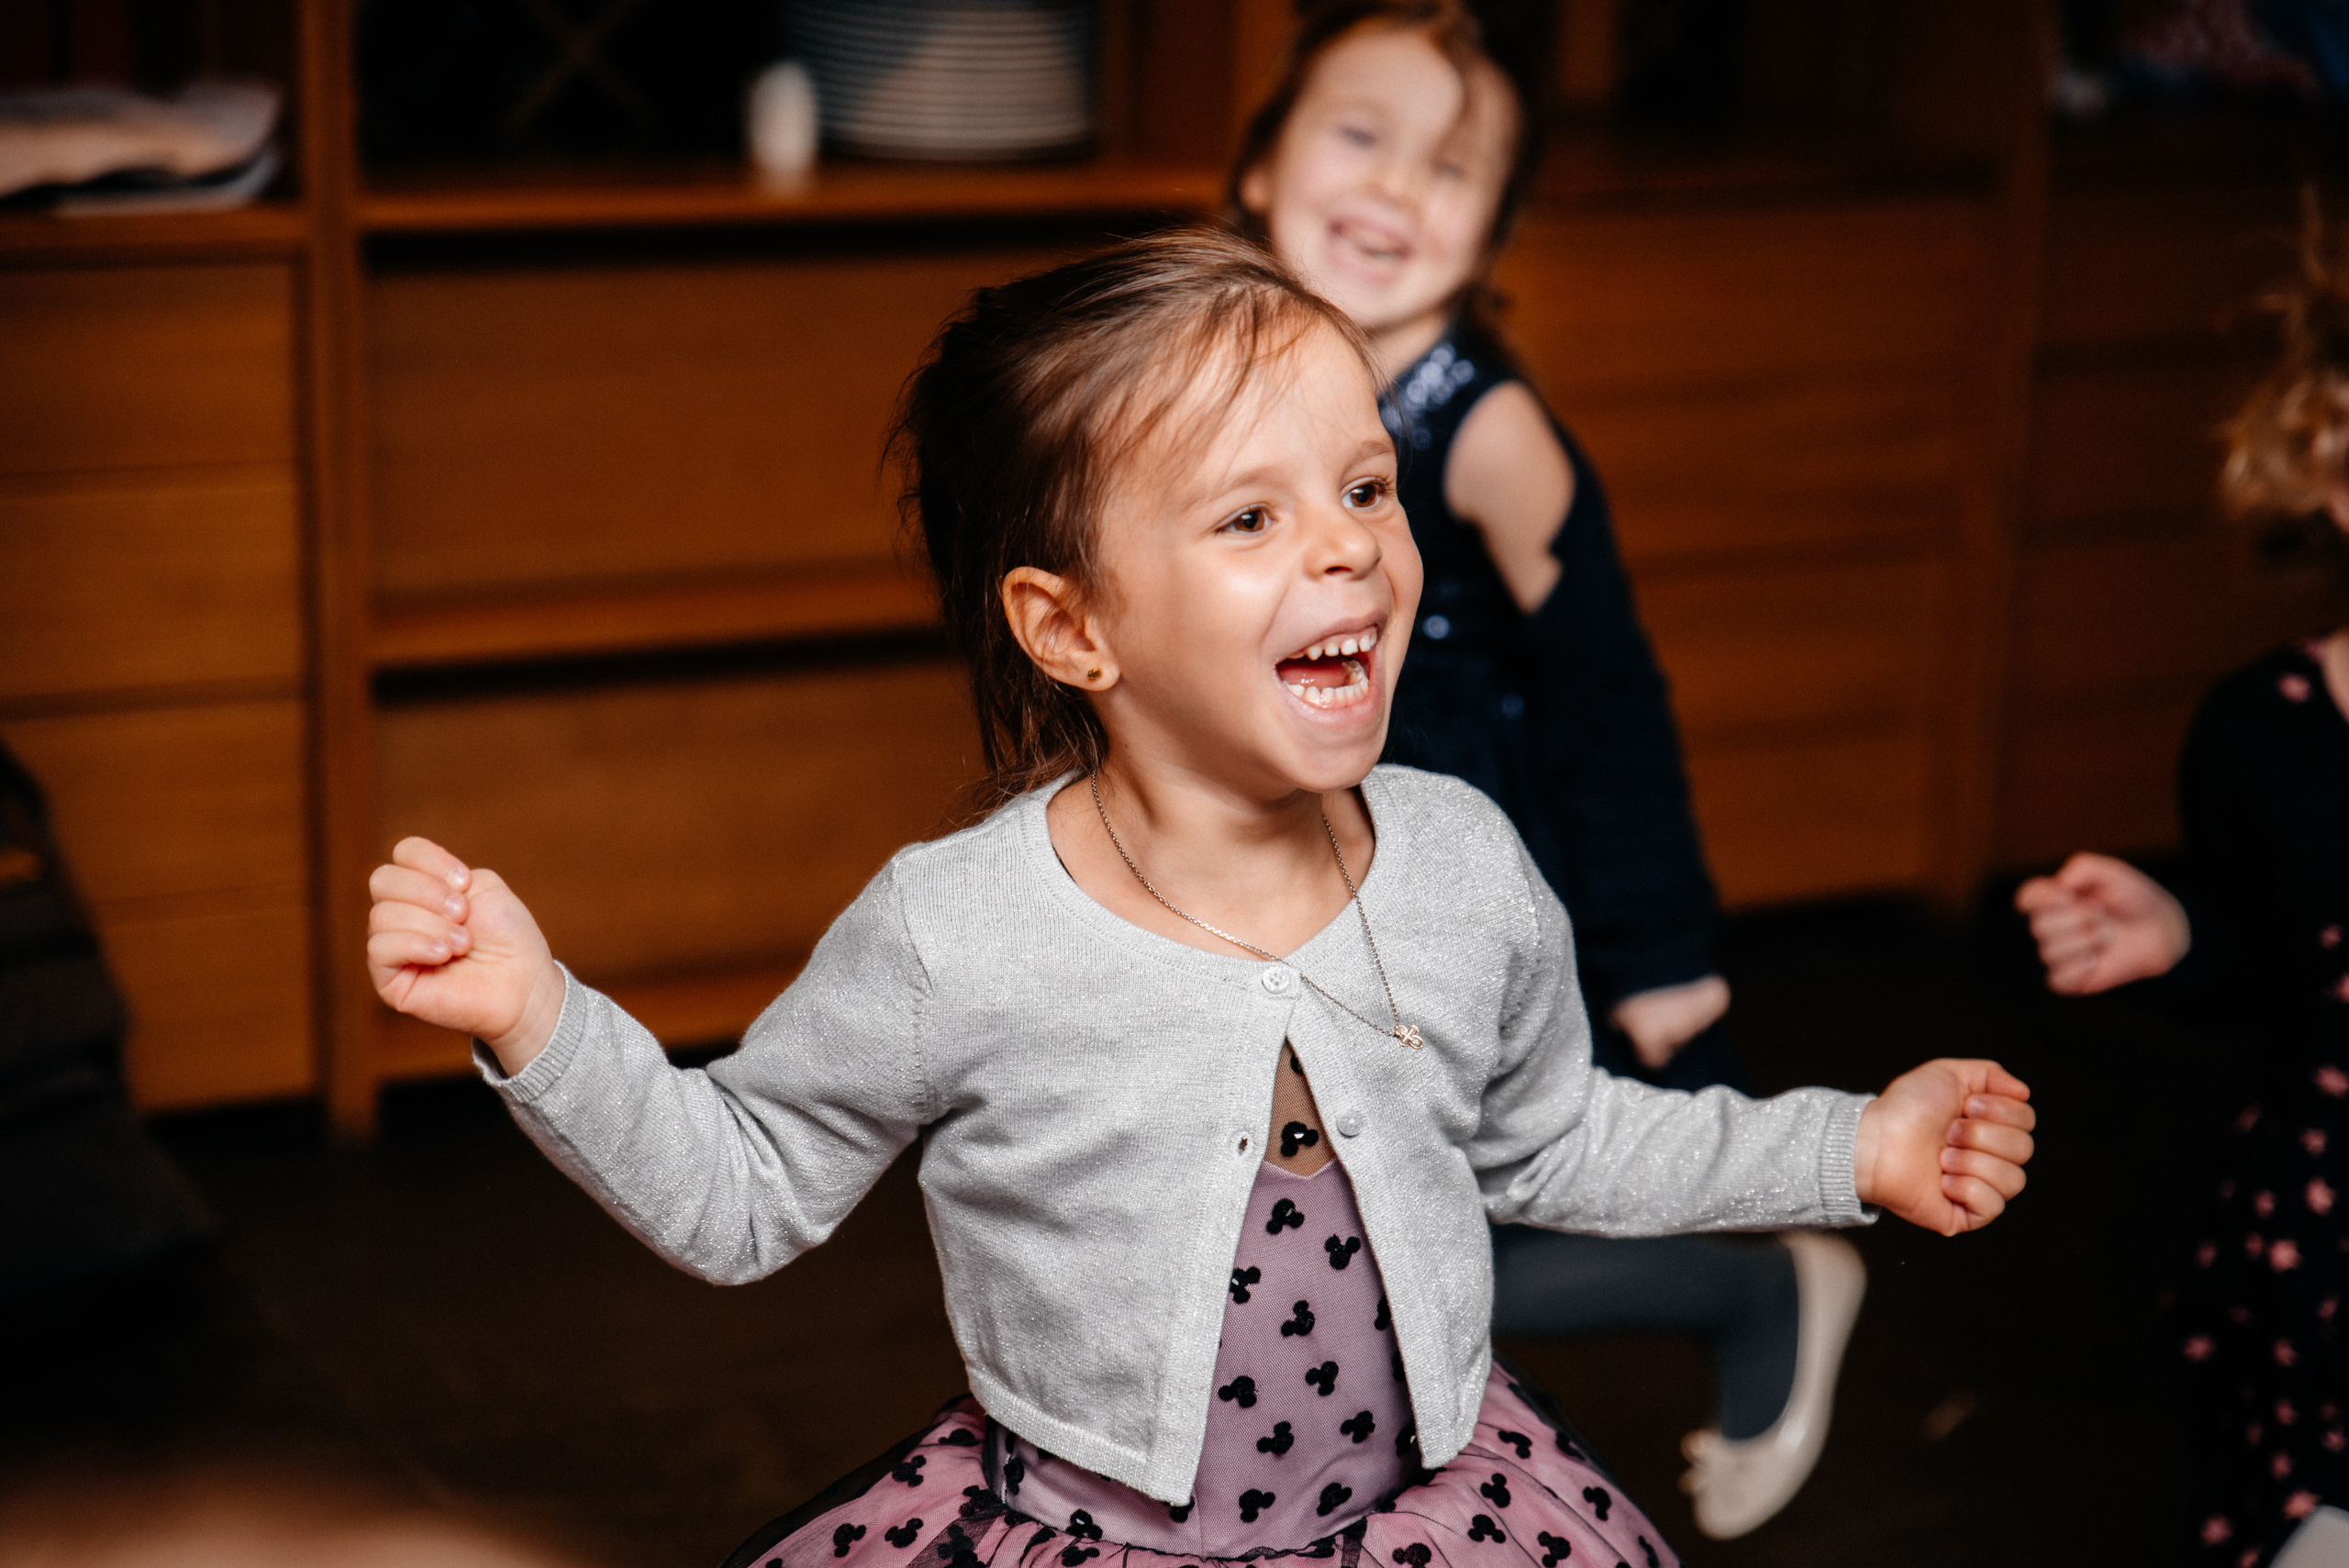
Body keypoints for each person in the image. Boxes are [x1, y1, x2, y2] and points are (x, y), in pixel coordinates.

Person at [367, 229, 2034, 1568]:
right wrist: (539, 1013)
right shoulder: (958, 933)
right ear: (1072, 628)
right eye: (1252, 513)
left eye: (1368, 486)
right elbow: (743, 1193)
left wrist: (1849, 1146)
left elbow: (1554, 1138)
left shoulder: (1461, 861)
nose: (1350, 549)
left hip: (1434, 1519)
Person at [1226, 0, 1863, 1535]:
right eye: (1358, 136)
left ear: (1499, 224)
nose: (1391, 191)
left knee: (1424, 1229)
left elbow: (1611, 698)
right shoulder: (1218, 358)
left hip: (1449, 873)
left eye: (1450, 171)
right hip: (1276, 863)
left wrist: (1657, 948)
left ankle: (1753, 1286)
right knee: (1295, 1220)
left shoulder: (1490, 432)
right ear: (1258, 166)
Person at [2016, 203, 2349, 1568]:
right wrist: (2181, 930)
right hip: (2328, 1259)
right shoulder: (2263, 731)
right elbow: (2281, 962)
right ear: (2326, 451)